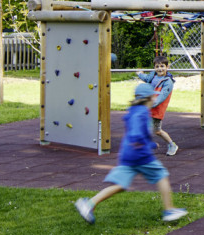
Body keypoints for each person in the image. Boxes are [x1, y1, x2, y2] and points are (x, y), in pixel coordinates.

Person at [74, 81, 188, 225]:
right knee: (161, 176)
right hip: (141, 156)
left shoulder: (134, 111)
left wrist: (150, 143)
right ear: (147, 98)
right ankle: (169, 209)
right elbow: (136, 133)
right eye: (153, 96)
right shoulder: (141, 113)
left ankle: (88, 204)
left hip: (128, 155)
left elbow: (138, 133)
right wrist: (141, 143)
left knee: (120, 185)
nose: (154, 99)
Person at [142, 55, 179, 156]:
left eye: (162, 66)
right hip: (150, 108)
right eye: (157, 66)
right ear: (154, 68)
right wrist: (139, 74)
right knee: (145, 126)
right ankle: (146, 146)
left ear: (168, 67)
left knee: (157, 131)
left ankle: (172, 145)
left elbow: (161, 97)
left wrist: (150, 104)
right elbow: (146, 78)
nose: (160, 69)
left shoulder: (168, 82)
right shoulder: (154, 76)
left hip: (157, 109)